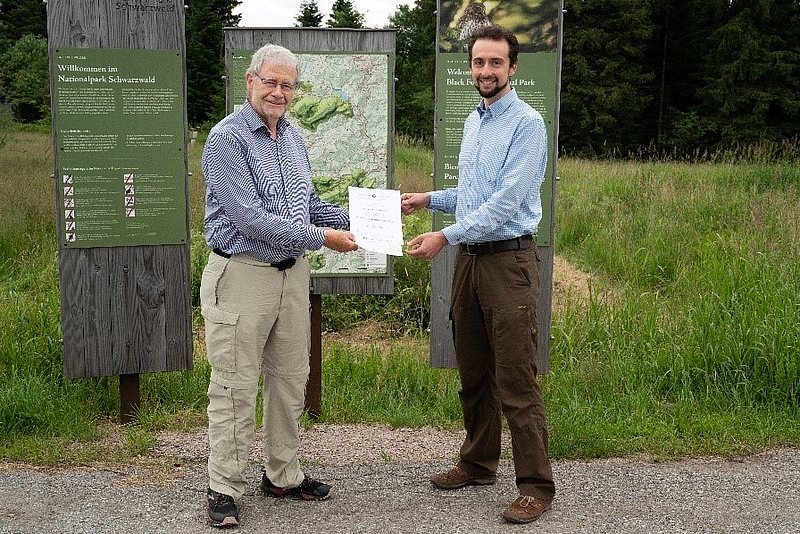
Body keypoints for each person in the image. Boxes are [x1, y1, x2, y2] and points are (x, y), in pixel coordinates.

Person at [400, 24, 555, 524]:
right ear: (470, 66)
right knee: (473, 372)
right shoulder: (474, 121)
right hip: (469, 261)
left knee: (516, 378)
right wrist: (428, 200)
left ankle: (535, 485)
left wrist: (443, 236)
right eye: (478, 62)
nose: (485, 71)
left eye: (495, 62)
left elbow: (505, 203)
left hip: (509, 263)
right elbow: (472, 197)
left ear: (512, 67)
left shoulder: (527, 124)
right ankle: (478, 463)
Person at [200, 43, 358, 528]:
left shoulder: (292, 138)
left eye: (287, 85)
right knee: (234, 386)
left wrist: (365, 219)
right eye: (270, 81)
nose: (278, 92)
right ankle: (224, 487)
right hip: (242, 275)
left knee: (290, 380)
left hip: (292, 277)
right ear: (250, 81)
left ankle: (282, 476)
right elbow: (250, 219)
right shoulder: (226, 139)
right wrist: (324, 238)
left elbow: (309, 206)